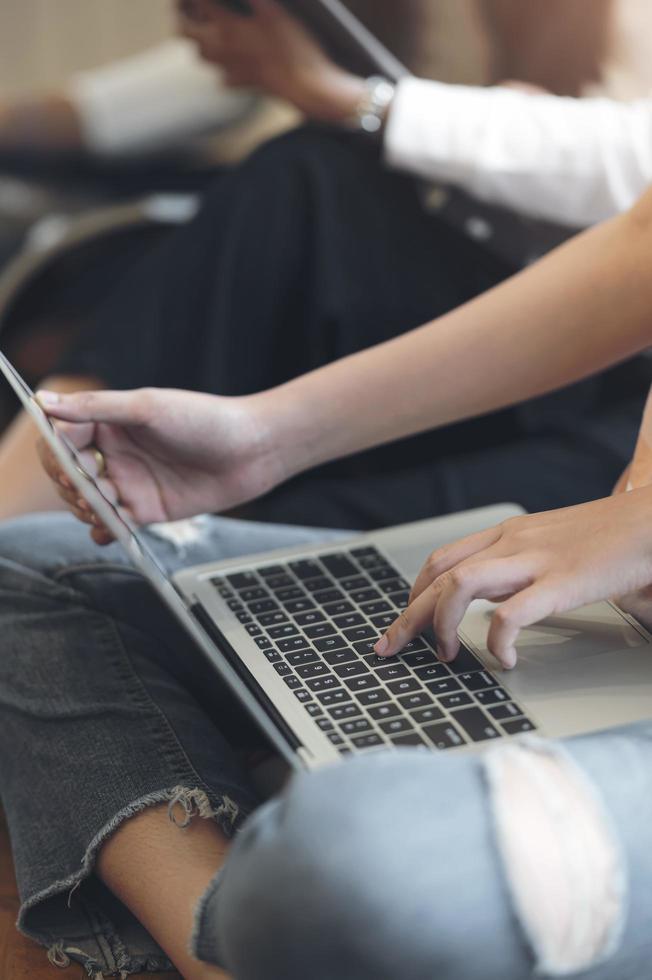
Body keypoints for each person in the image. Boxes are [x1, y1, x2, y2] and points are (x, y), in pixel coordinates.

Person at [1, 162, 652, 978]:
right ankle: (227, 951)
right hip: (610, 611)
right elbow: (642, 246)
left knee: (351, 857)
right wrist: (265, 439)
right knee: (33, 567)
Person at [1, 0, 651, 531]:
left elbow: (633, 181)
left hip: (603, 365)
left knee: (307, 177)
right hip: (501, 284)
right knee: (300, 179)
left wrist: (358, 100)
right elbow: (188, 91)